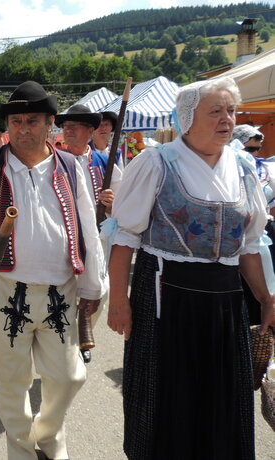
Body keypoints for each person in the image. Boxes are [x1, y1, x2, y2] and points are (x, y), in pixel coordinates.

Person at [106, 77, 275, 460]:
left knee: (220, 396)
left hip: (223, 300)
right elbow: (124, 237)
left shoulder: (244, 167)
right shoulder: (156, 163)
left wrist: (265, 297)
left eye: (231, 111)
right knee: (164, 395)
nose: (227, 120)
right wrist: (119, 300)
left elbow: (249, 245)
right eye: (215, 111)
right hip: (165, 296)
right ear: (187, 118)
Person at [0, 81, 105, 460]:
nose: (23, 128)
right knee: (13, 382)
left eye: (32, 120)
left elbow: (87, 228)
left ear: (50, 123)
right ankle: (21, 450)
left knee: (69, 377)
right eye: (16, 121)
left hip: (61, 291)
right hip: (6, 292)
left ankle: (47, 436)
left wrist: (93, 285)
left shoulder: (69, 165)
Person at [55, 105, 122, 356]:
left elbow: (124, 202)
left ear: (91, 131)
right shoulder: (54, 159)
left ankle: (82, 336)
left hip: (98, 237)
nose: (68, 131)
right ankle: (60, 342)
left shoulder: (105, 162)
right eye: (65, 127)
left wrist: (111, 201)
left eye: (74, 127)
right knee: (65, 290)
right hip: (64, 238)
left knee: (97, 292)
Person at [232, 124, 275, 325]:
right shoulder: (228, 169)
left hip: (264, 234)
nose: (255, 153)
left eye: (257, 148)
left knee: (265, 284)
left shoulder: (267, 169)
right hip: (236, 234)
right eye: (249, 149)